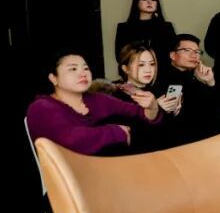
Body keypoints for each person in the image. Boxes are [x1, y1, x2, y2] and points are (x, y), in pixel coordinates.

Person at [27, 50, 161, 156]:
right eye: (73, 69)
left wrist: (152, 107)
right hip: (69, 176)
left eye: (86, 68)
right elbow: (70, 140)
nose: (83, 73)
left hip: (106, 168)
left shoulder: (97, 99)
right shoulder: (41, 107)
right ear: (53, 78)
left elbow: (138, 113)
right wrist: (116, 131)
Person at [155, 34, 220, 146]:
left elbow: (219, 105)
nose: (194, 55)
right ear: (173, 55)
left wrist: (210, 82)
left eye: (197, 52)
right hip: (187, 144)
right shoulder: (164, 80)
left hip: (211, 140)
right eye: (187, 50)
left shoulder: (194, 76)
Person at [110, 42, 178, 152]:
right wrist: (155, 110)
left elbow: (169, 134)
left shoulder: (158, 91)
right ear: (126, 68)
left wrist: (174, 111)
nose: (148, 70)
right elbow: (130, 139)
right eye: (141, 65)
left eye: (152, 64)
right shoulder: (115, 97)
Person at [114, 0, 177, 64]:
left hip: (163, 68)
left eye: (153, 0)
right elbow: (121, 56)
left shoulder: (166, 27)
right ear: (136, 3)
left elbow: (173, 52)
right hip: (135, 67)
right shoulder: (124, 28)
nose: (149, 2)